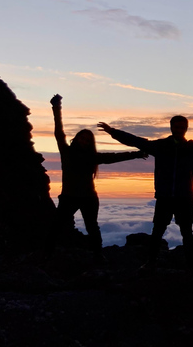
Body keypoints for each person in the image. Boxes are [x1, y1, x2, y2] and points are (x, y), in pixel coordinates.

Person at [97, 115, 193, 272]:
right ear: (171, 127)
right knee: (157, 231)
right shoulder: (161, 146)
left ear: (186, 129)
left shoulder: (192, 148)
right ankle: (151, 262)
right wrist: (113, 132)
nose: (179, 130)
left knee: (186, 233)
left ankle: (190, 267)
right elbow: (136, 141)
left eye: (182, 127)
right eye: (176, 127)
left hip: (184, 197)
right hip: (164, 197)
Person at [51, 94, 147, 260]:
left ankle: (98, 255)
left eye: (88, 140)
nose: (84, 141)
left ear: (90, 143)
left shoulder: (92, 157)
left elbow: (113, 157)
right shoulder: (66, 152)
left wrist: (136, 154)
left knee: (92, 227)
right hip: (68, 197)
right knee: (57, 226)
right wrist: (56, 108)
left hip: (88, 198)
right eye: (82, 138)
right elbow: (59, 132)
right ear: (77, 138)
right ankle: (47, 253)